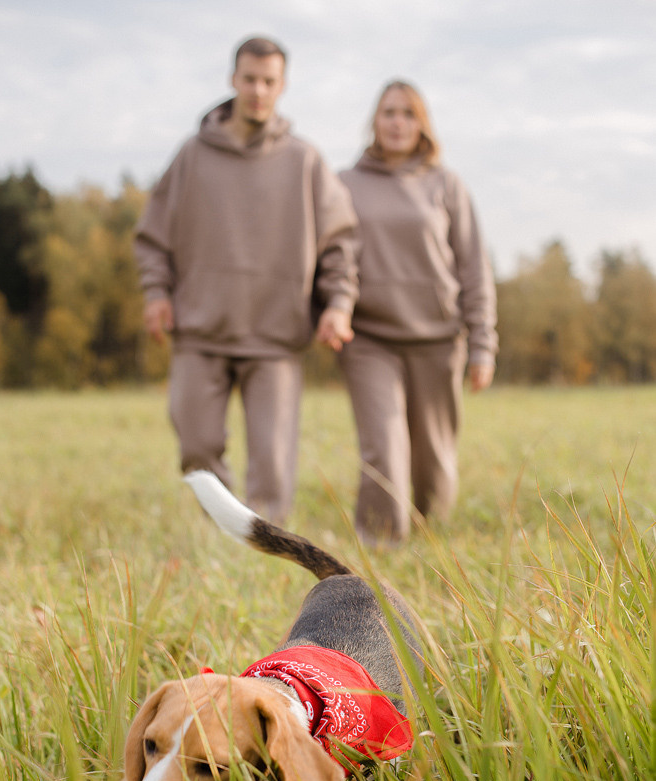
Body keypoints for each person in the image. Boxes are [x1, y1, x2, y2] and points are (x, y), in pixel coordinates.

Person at [134, 37, 357, 523]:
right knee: (196, 446)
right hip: (200, 328)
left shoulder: (306, 161)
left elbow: (339, 244)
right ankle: (221, 540)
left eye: (269, 81)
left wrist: (338, 304)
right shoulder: (192, 155)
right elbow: (153, 236)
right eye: (250, 79)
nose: (258, 90)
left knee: (272, 465)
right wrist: (156, 292)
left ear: (283, 86)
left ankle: (264, 553)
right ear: (233, 80)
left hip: (275, 334)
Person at [329, 80, 497, 543]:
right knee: (384, 450)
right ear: (375, 122)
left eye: (407, 113)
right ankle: (381, 550)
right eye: (388, 112)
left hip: (439, 340)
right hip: (369, 339)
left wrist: (483, 344)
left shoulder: (446, 184)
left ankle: (432, 543)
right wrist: (333, 309)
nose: (397, 122)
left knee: (434, 461)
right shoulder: (345, 184)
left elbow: (473, 267)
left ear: (421, 123)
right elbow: (334, 258)